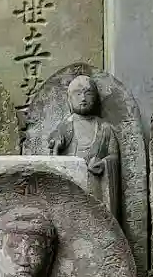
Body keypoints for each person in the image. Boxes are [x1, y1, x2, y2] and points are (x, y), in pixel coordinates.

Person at [47, 75, 120, 217]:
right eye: (78, 94)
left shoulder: (105, 128)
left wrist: (104, 164)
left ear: (96, 99)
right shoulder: (65, 126)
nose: (83, 98)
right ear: (69, 99)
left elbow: (114, 155)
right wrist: (56, 145)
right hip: (72, 185)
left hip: (96, 185)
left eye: (88, 93)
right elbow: (54, 145)